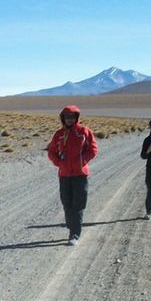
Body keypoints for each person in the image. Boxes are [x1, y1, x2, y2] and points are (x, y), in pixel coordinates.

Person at [46, 104, 98, 245]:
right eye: (67, 117)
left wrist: (83, 160)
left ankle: (74, 234)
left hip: (80, 174)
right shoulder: (59, 134)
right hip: (64, 174)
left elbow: (93, 148)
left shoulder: (84, 131)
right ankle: (71, 225)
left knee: (78, 204)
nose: (69, 119)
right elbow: (51, 151)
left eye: (72, 117)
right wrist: (58, 162)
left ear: (76, 118)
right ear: (63, 118)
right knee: (66, 203)